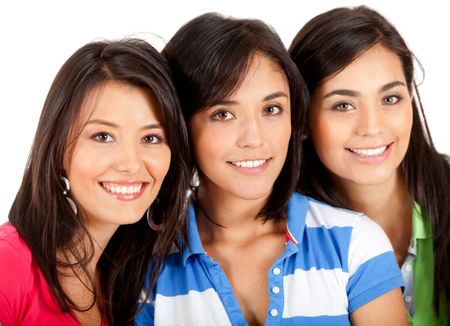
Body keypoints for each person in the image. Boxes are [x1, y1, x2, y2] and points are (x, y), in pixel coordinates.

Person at [136, 13, 406, 325]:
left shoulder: (357, 243)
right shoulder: (148, 264)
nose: (255, 138)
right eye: (223, 113)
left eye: (271, 109)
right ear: (181, 124)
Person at [0, 39, 190, 326]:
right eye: (103, 136)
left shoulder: (128, 288)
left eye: (151, 138)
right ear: (59, 149)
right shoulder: (8, 265)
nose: (130, 163)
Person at [289, 5, 449, 325]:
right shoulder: (285, 236)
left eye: (390, 98)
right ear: (302, 119)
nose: (372, 127)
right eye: (343, 105)